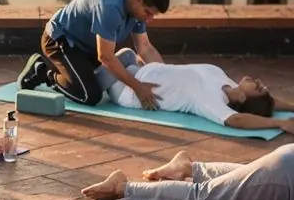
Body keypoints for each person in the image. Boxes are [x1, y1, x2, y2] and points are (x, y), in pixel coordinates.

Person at [18, 0, 170, 108]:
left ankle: (78, 74)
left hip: (88, 49)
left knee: (126, 58)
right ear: (138, 0)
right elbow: (105, 57)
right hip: (61, 41)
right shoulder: (110, 7)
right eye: (148, 13)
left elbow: (145, 47)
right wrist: (138, 87)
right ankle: (43, 71)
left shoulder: (137, 13)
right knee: (89, 95)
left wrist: (167, 77)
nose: (149, 19)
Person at [82, 145, 294, 200]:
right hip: (286, 173)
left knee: (249, 179)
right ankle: (122, 188)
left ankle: (189, 168)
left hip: (285, 168)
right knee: (203, 198)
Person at [97, 51, 291, 132]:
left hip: (128, 92)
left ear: (242, 98)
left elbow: (236, 120)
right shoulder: (228, 83)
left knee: (101, 67)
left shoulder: (212, 101)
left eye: (257, 87)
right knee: (125, 55)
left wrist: (280, 123)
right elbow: (268, 101)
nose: (257, 81)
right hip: (139, 72)